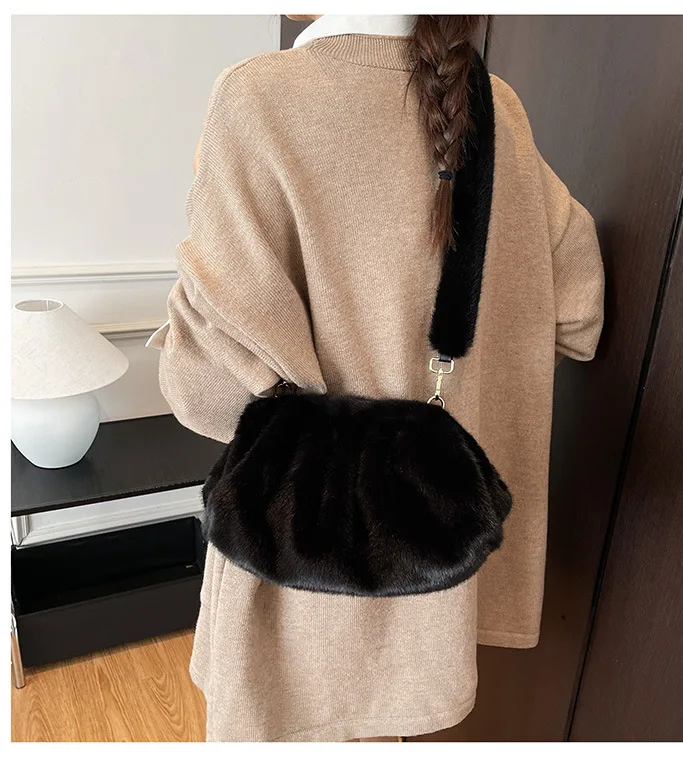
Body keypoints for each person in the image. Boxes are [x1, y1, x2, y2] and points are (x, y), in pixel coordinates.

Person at [148, 14, 605, 743]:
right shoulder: (496, 110)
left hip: (291, 591)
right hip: (431, 588)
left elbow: (204, 392)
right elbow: (579, 316)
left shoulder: (256, 99)